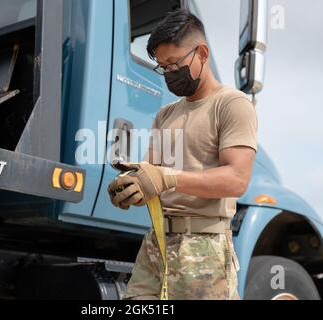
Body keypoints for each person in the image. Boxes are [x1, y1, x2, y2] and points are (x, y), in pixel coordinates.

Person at [108, 9, 258, 300]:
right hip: (157, 243)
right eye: (163, 67)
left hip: (204, 248)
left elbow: (236, 179)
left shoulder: (232, 105)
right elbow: (152, 173)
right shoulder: (166, 114)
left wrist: (167, 179)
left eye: (174, 63)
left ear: (202, 53)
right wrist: (132, 185)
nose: (169, 73)